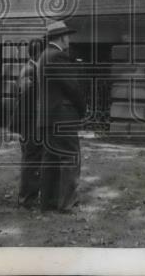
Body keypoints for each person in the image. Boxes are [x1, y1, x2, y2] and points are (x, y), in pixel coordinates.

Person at [35, 21, 86, 212]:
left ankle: (48, 202)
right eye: (67, 36)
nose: (69, 40)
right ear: (61, 37)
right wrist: (82, 109)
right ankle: (67, 203)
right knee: (70, 158)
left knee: (50, 159)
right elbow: (72, 87)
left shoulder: (43, 56)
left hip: (47, 117)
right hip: (62, 116)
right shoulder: (58, 56)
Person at [15, 37, 45, 208]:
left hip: (31, 124)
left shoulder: (33, 69)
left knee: (33, 161)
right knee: (30, 162)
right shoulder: (29, 70)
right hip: (30, 125)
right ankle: (26, 199)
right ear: (39, 53)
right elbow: (26, 99)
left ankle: (30, 196)